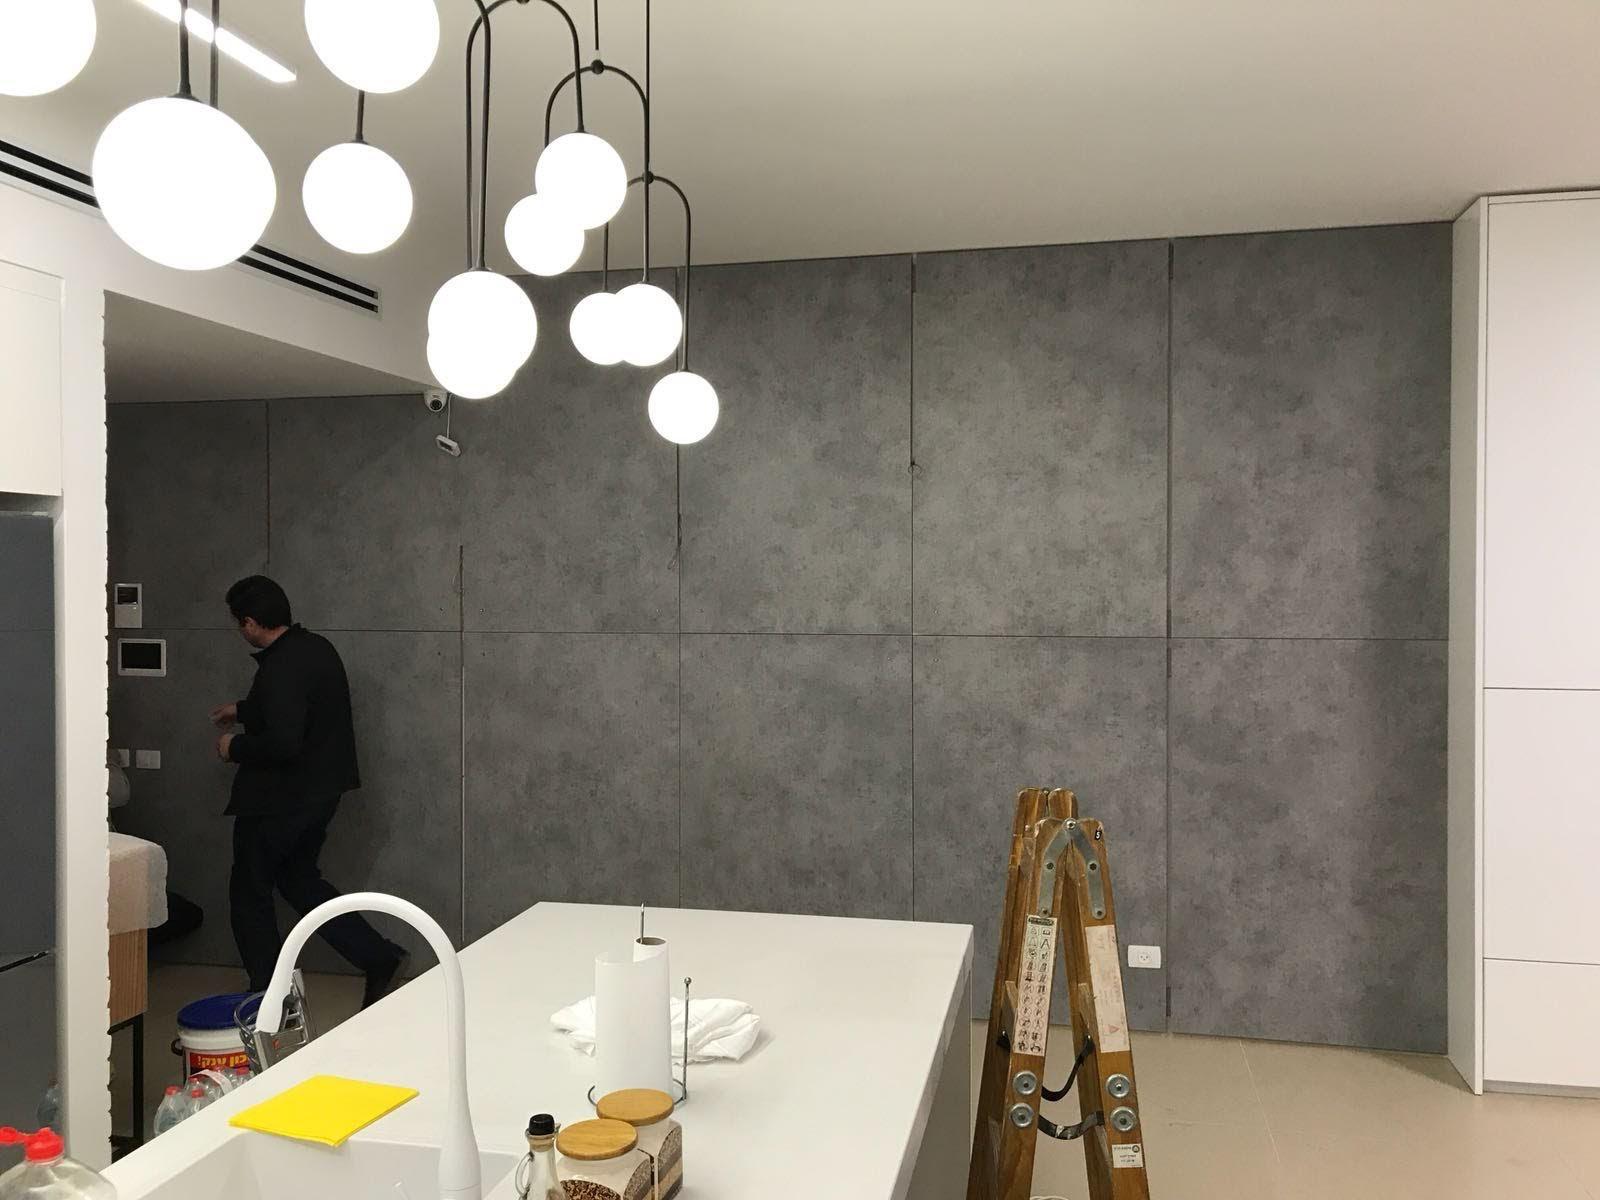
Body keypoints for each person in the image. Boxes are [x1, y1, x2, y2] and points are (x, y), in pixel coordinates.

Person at [211, 575, 405, 1006]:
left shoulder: (281, 665)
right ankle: (378, 957)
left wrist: (233, 746)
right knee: (298, 880)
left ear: (249, 622)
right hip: (320, 793)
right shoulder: (314, 648)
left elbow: (284, 741)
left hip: (280, 800)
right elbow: (299, 707)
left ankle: (268, 995)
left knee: (250, 891)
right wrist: (242, 710)